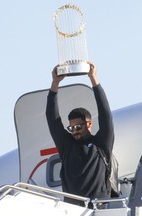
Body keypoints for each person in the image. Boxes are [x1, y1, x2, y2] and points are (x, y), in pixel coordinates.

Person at [45, 62, 114, 209]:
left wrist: (93, 78)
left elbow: (106, 115)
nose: (74, 131)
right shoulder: (67, 146)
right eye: (71, 128)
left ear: (89, 124)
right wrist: (55, 83)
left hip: (98, 208)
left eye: (78, 127)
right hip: (72, 209)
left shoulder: (101, 143)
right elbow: (52, 119)